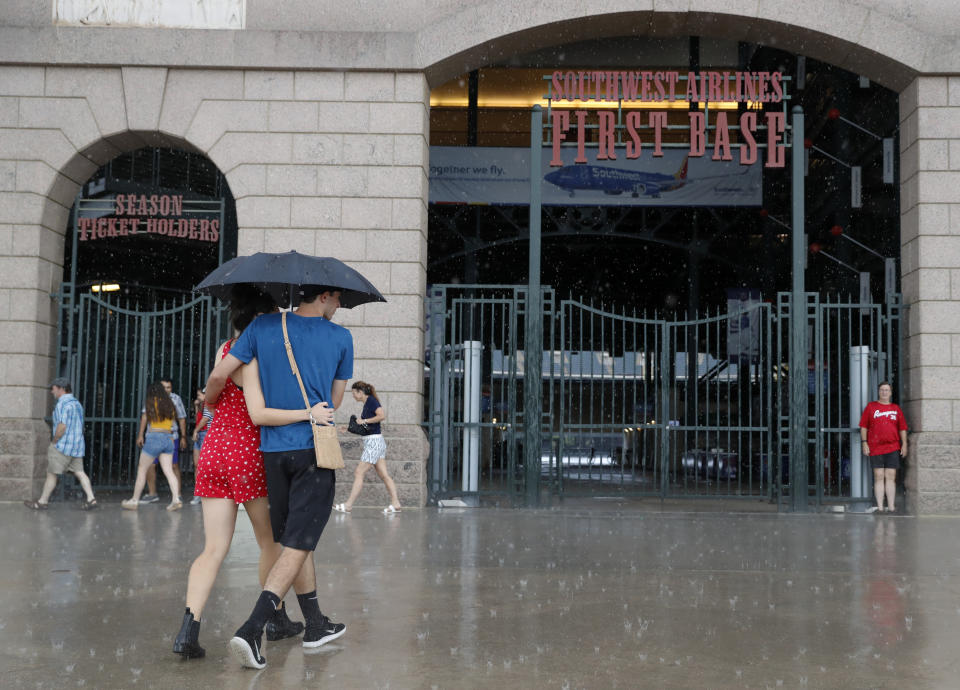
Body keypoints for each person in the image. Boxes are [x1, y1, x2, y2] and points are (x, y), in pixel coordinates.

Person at [173, 286, 331, 659]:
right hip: (248, 452)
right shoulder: (260, 352)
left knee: (212, 549)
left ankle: (187, 631)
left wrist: (210, 403)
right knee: (270, 543)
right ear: (264, 318)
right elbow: (259, 410)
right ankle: (274, 619)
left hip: (214, 449)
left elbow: (214, 384)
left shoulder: (226, 348)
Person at [204, 285, 352, 670]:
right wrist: (310, 404)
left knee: (290, 537)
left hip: (272, 450)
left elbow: (220, 374)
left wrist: (208, 405)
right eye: (339, 300)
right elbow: (333, 403)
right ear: (327, 295)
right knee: (300, 540)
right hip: (311, 448)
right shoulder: (340, 337)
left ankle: (316, 623)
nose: (340, 308)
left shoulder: (263, 327)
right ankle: (254, 626)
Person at [23, 377, 97, 510]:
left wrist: (55, 441)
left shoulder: (62, 404)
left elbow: (62, 426)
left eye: (54, 388)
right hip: (77, 446)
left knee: (52, 474)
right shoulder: (77, 404)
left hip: (62, 446)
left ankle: (42, 502)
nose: (52, 391)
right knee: (80, 472)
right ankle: (91, 499)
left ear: (61, 389)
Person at [333, 381, 402, 514]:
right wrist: (347, 428)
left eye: (354, 393)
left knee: (359, 472)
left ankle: (348, 505)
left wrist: (364, 420)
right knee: (384, 475)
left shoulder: (371, 401)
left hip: (373, 443)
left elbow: (381, 416)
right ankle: (396, 503)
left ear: (360, 392)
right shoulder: (368, 403)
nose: (353, 396)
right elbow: (366, 428)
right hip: (376, 442)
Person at [122, 382, 183, 511]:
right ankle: (176, 499)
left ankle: (134, 500)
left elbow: (145, 418)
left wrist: (141, 435)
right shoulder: (170, 404)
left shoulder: (151, 402)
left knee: (142, 469)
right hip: (168, 438)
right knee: (169, 471)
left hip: (154, 436)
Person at [859, 381, 908, 513]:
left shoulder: (896, 409)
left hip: (893, 447)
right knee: (879, 475)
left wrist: (904, 444)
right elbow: (864, 426)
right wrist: (864, 442)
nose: (884, 392)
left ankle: (891, 507)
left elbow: (902, 428)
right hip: (875, 447)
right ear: (879, 392)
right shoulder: (871, 407)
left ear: (891, 393)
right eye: (882, 390)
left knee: (891, 476)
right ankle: (880, 508)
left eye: (887, 390)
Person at [137, 378, 187, 503]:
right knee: (150, 465)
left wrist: (183, 437)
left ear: (172, 388)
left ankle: (177, 495)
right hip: (152, 437)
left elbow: (181, 418)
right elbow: (145, 417)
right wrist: (141, 435)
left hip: (171, 437)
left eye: (168, 387)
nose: (166, 390)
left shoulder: (176, 399)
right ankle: (152, 493)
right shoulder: (152, 399)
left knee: (173, 466)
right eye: (163, 387)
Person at [189, 388, 212, 506]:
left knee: (203, 466)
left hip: (205, 434)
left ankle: (203, 493)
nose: (198, 397)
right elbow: (197, 419)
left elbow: (205, 419)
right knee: (197, 465)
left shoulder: (210, 404)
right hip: (199, 435)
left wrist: (195, 430)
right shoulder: (202, 405)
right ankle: (198, 493)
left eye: (200, 395)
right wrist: (197, 407)